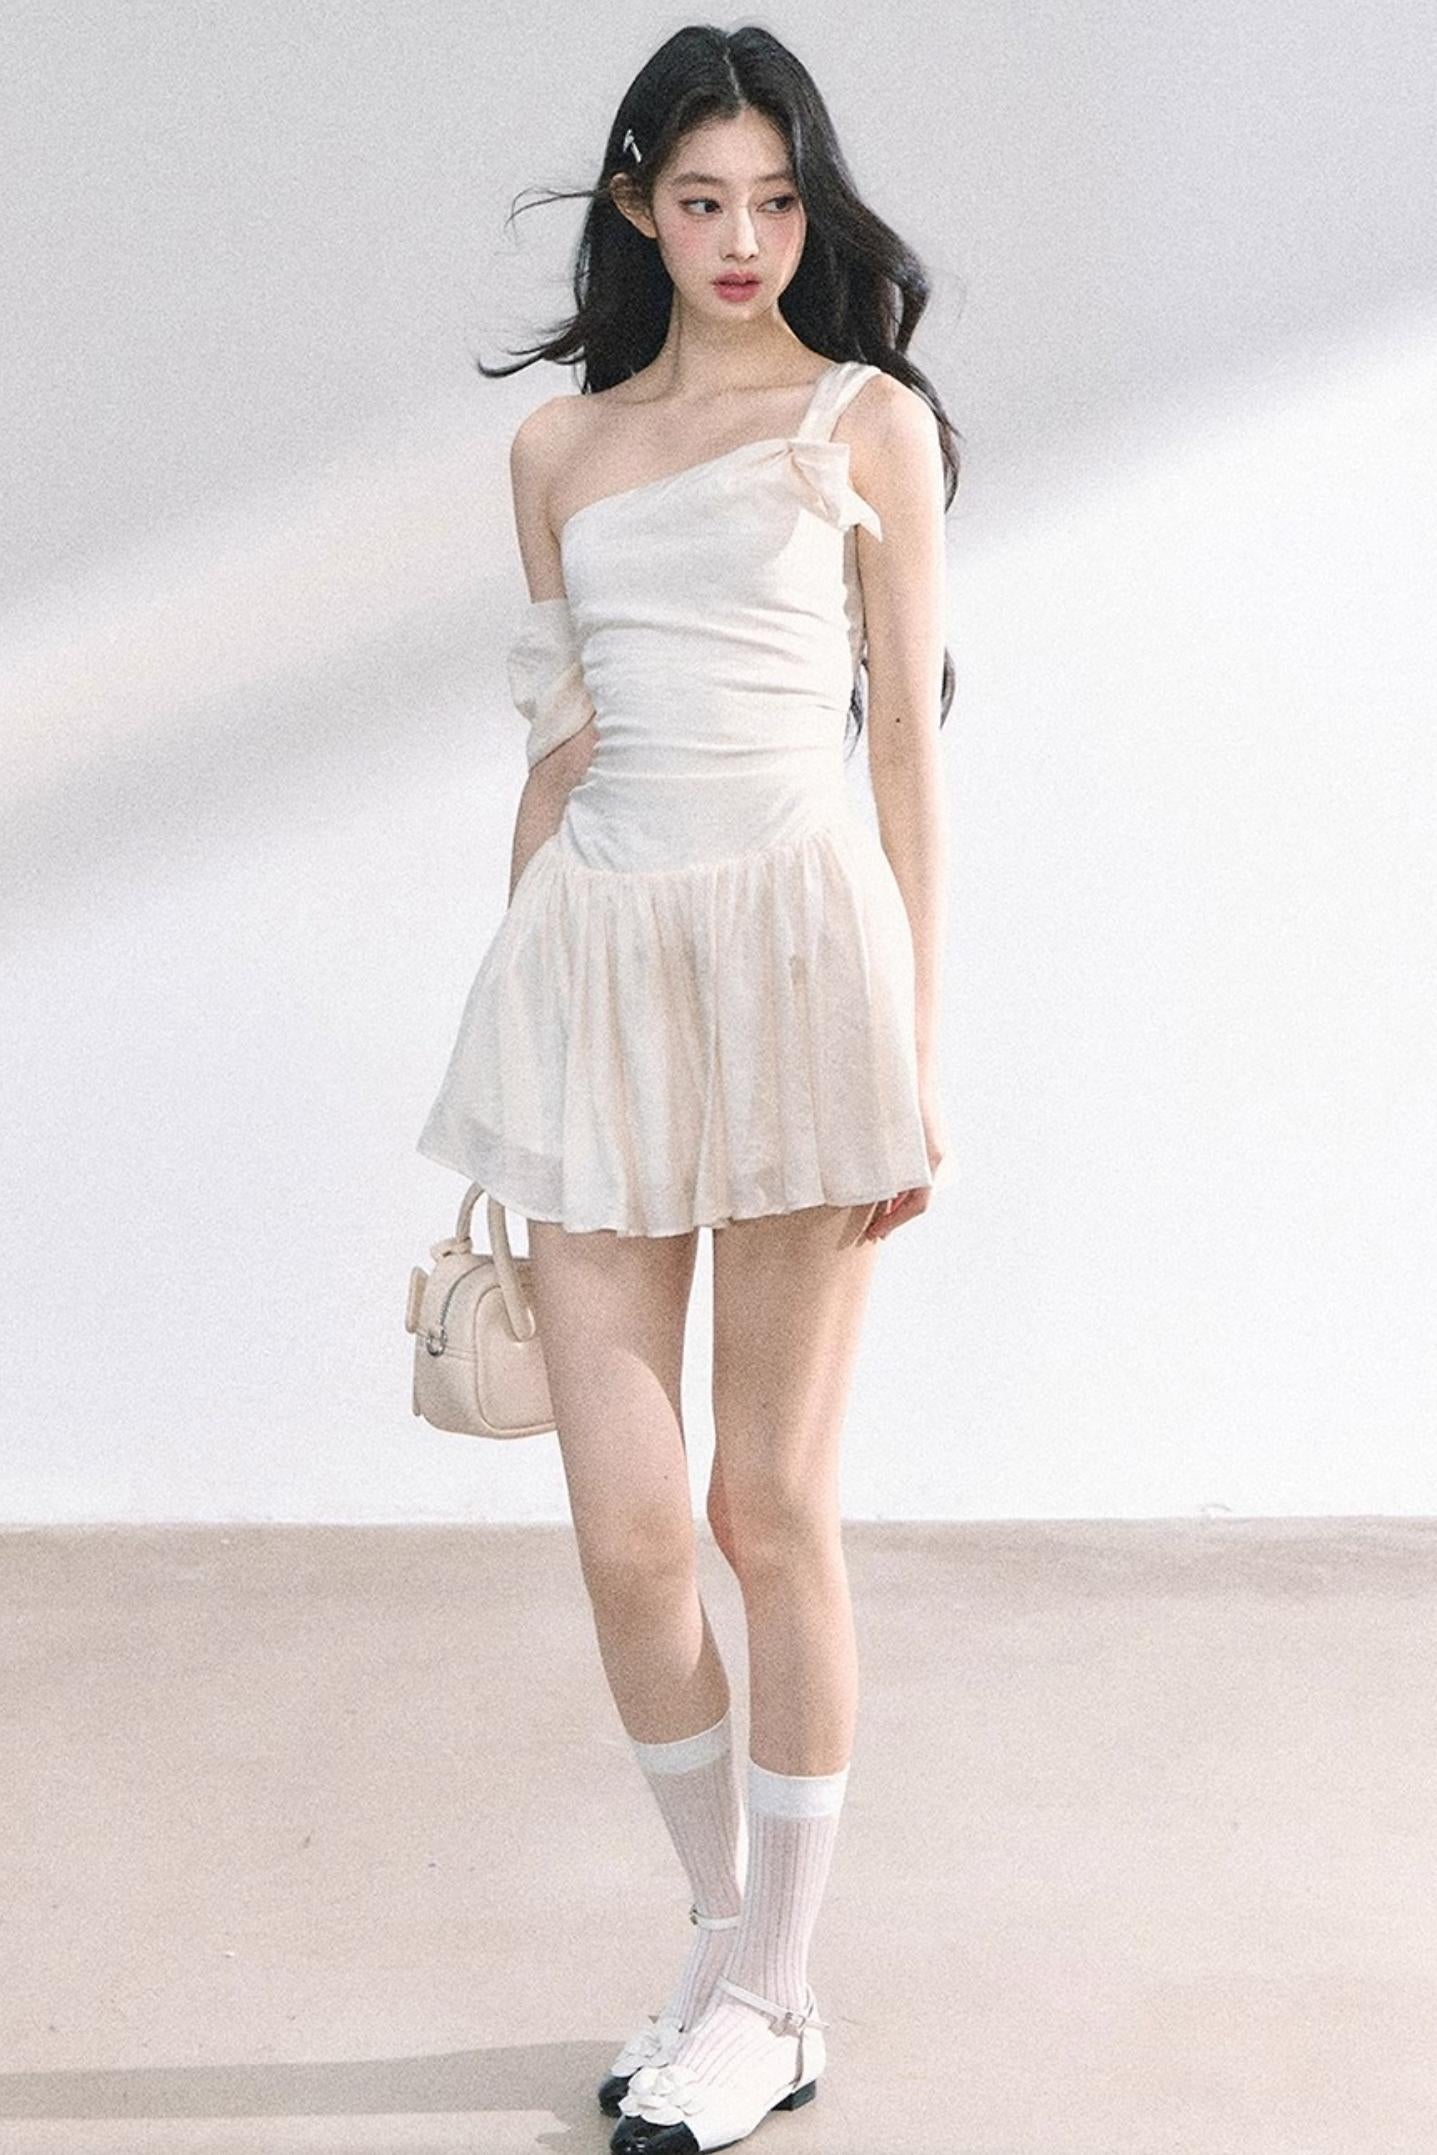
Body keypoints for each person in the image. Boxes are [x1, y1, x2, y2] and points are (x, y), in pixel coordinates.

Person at [416, 23, 959, 2152]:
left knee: (767, 1511)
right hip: (599, 977)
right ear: (639, 206)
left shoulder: (861, 421)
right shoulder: (556, 449)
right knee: (633, 1535)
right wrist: (511, 1017)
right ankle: (732, 1952)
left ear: (812, 209)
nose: (743, 240)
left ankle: (777, 1991)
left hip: (806, 969)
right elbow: (556, 752)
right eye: (704, 199)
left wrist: (917, 1054)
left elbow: (903, 755)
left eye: (778, 200)